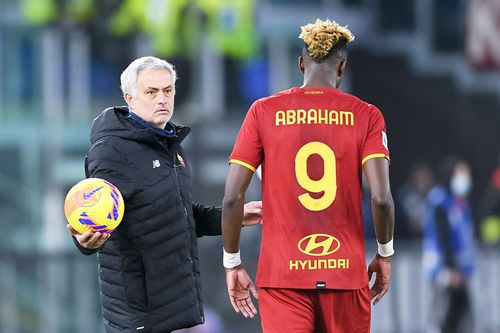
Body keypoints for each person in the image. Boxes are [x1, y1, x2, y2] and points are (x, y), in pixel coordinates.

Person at [221, 19, 395, 333]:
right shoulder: (367, 115)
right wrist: (384, 253)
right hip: (345, 273)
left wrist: (232, 260)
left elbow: (233, 197)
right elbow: (381, 199)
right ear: (341, 67)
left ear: (301, 64)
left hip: (283, 277)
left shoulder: (263, 112)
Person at [66, 56, 262, 333]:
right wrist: (85, 242)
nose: (162, 99)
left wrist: (234, 216)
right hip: (139, 313)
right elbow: (96, 212)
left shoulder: (170, 145)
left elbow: (179, 215)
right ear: (129, 97)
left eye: (168, 90)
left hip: (176, 306)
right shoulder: (111, 150)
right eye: (151, 92)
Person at [423, 157, 475, 333]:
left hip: (458, 269)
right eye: (461, 173)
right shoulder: (439, 201)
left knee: (461, 314)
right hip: (444, 270)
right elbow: (442, 236)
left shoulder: (458, 202)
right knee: (444, 316)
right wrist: (451, 269)